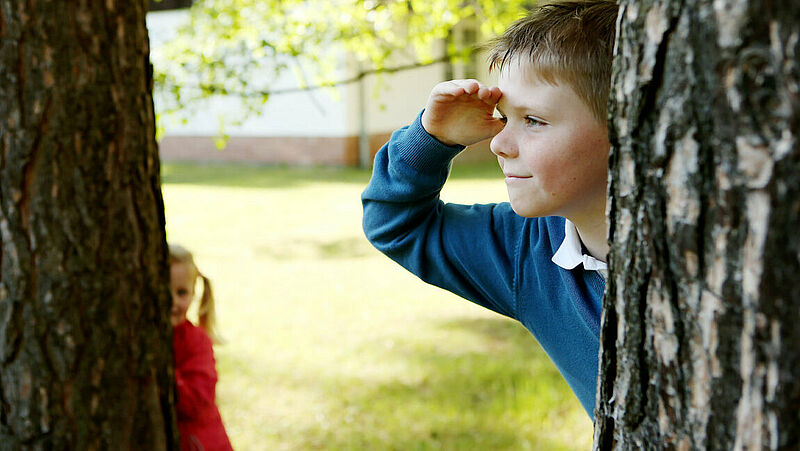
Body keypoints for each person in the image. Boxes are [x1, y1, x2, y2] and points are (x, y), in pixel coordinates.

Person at [361, 0, 618, 418]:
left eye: (533, 120)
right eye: (503, 117)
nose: (499, 142)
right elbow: (398, 226)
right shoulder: (527, 251)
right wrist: (430, 138)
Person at [169, 244, 234, 450]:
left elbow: (195, 402)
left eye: (182, 293)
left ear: (193, 294)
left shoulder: (197, 341)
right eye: (165, 290)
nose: (173, 302)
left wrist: (168, 372)